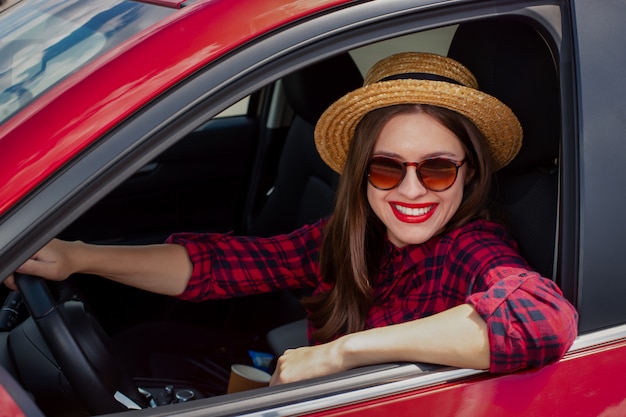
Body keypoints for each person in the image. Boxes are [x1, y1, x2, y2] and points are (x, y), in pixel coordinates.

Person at [6, 52, 578, 386]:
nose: (410, 190)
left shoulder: (469, 248)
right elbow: (228, 263)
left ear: (470, 175)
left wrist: (341, 352)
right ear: (359, 175)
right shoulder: (356, 235)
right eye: (384, 168)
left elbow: (541, 319)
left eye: (436, 170)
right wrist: (81, 256)